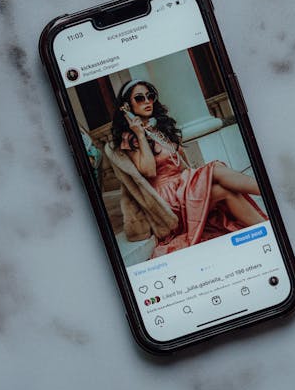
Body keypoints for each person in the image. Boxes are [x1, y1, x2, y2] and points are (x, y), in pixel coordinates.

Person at [104, 79, 267, 258]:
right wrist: (140, 135)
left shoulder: (158, 129)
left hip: (183, 185)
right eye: (139, 98)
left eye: (150, 96)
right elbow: (149, 171)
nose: (147, 101)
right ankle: (270, 192)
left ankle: (265, 227)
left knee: (224, 191)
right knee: (215, 169)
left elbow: (179, 162)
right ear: (126, 106)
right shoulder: (129, 139)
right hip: (167, 200)